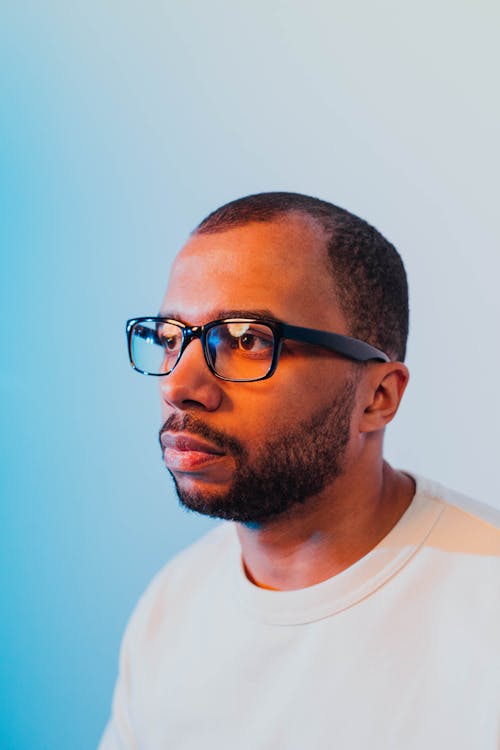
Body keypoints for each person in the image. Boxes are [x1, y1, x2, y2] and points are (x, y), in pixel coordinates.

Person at [99, 192, 500, 750]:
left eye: (246, 340)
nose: (179, 387)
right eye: (169, 339)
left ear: (378, 396)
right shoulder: (172, 608)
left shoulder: (486, 613)